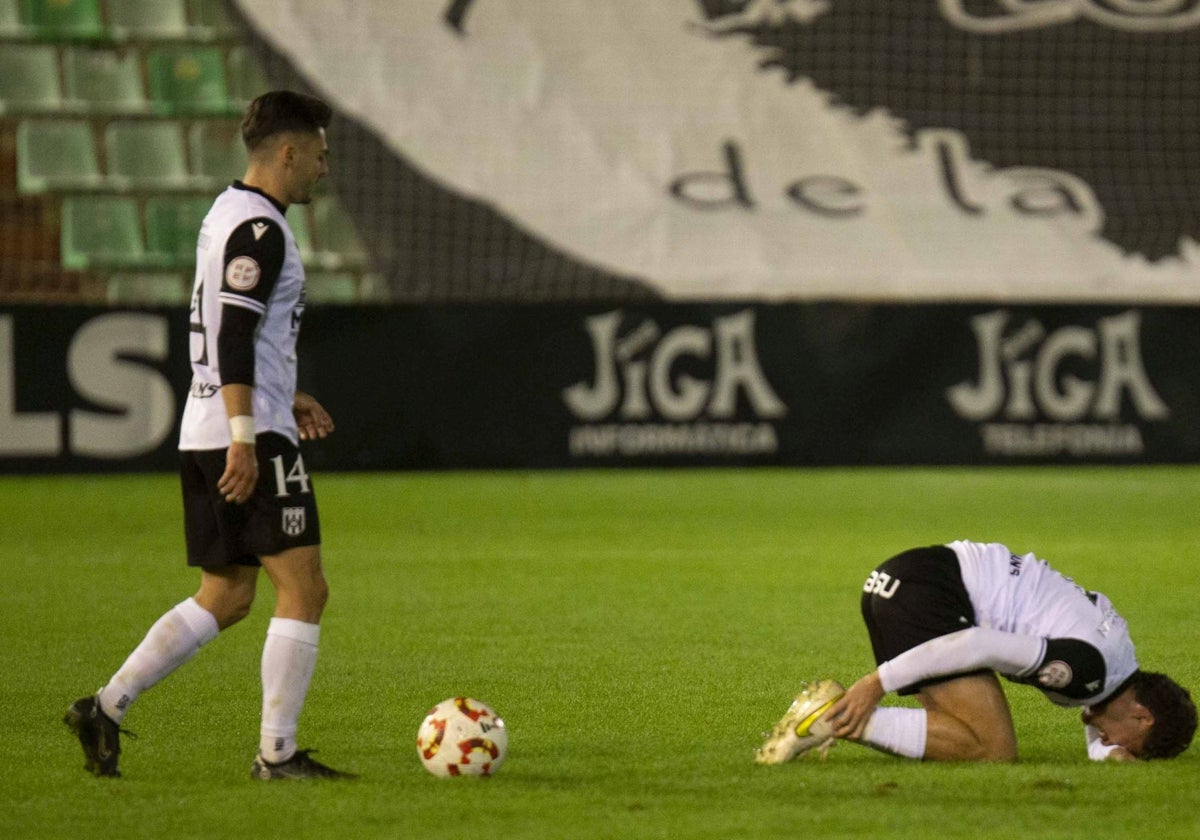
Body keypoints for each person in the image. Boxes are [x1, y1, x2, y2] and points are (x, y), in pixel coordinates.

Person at [65, 90, 354, 781]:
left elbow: (238, 332)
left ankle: (104, 707)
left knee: (226, 594)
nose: (323, 166)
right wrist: (248, 435)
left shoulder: (226, 213)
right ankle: (277, 755)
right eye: (318, 153)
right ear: (287, 152)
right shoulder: (261, 229)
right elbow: (230, 331)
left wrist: (282, 393)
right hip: (242, 434)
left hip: (207, 426)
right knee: (304, 590)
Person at [757, 540, 1196, 764]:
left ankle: (833, 719)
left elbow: (1098, 714)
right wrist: (878, 683)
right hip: (931, 595)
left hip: (909, 578)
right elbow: (977, 645)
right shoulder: (1089, 669)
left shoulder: (1115, 664)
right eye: (1135, 746)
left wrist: (1109, 755)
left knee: (958, 731)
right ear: (1142, 716)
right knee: (993, 747)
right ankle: (832, 717)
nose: (1114, 745)